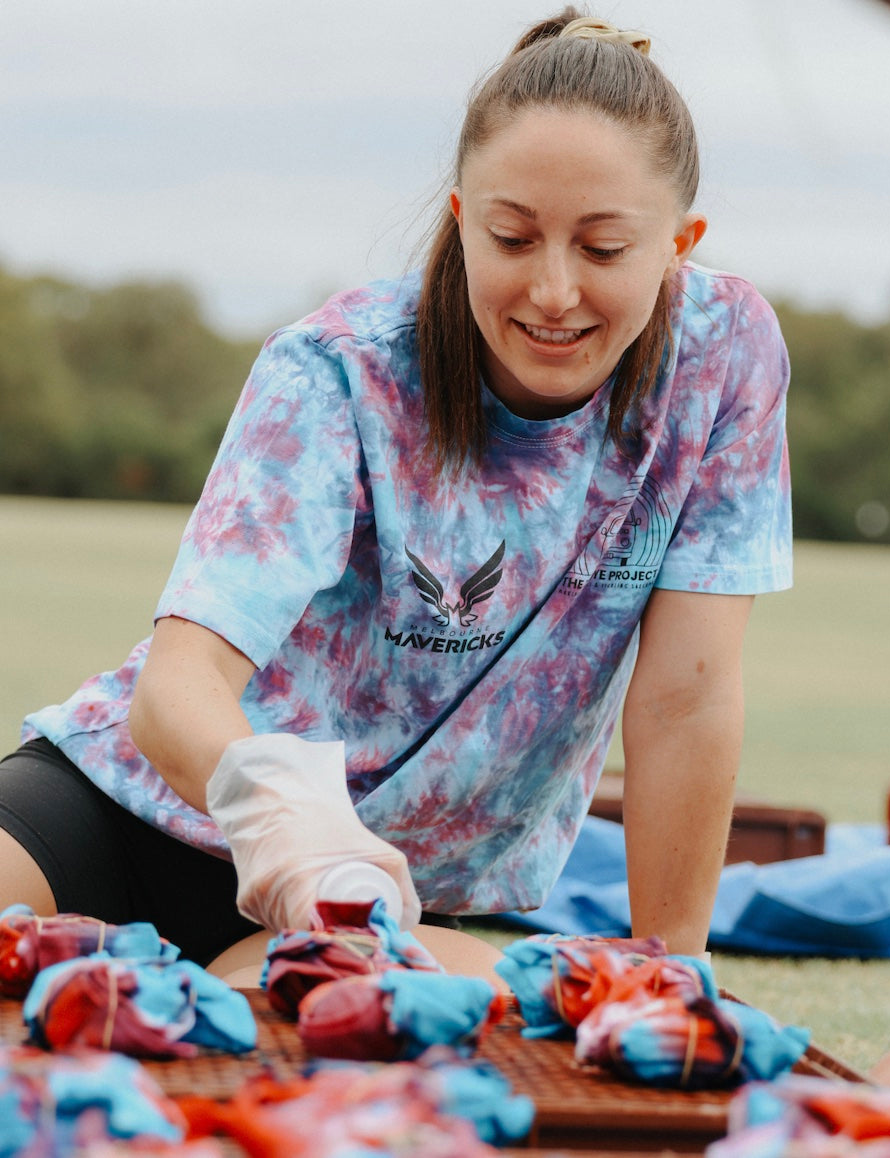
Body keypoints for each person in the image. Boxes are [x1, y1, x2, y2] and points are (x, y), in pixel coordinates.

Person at [0, 7, 791, 987]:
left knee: (366, 1063)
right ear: (462, 222)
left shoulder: (721, 361)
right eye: (511, 236)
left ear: (678, 242)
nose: (551, 290)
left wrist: (671, 977)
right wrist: (295, 830)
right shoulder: (337, 373)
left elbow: (686, 699)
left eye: (600, 250)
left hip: (377, 902)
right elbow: (175, 691)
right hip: (127, 819)